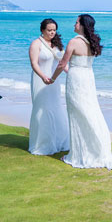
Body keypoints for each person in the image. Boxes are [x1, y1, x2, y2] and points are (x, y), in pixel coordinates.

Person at [51, 14, 112, 170]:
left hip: (76, 78)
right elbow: (74, 65)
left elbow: (62, 64)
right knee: (90, 110)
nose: (74, 24)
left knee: (77, 113)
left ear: (83, 25)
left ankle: (79, 154)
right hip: (88, 78)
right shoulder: (92, 42)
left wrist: (52, 79)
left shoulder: (74, 42)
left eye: (76, 22)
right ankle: (92, 148)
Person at [28, 18, 71, 155]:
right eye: (49, 30)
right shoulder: (36, 44)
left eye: (54, 30)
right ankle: (42, 143)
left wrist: (71, 73)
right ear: (42, 30)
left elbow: (62, 62)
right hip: (40, 79)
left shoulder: (56, 44)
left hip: (54, 80)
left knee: (56, 107)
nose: (52, 33)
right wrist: (42, 76)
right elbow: (34, 63)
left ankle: (58, 141)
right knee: (43, 109)